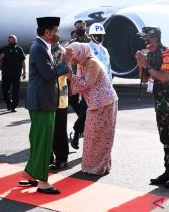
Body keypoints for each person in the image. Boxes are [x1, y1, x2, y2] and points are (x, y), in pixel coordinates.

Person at [22, 17, 72, 195]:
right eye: (56, 31)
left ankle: (30, 173)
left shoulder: (41, 46)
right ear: (47, 32)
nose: (58, 34)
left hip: (42, 101)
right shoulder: (39, 47)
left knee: (38, 139)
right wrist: (65, 63)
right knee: (43, 141)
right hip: (42, 102)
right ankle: (43, 182)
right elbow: (49, 74)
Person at [135, 27, 169, 189]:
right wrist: (140, 64)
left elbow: (164, 78)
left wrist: (147, 65)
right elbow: (145, 80)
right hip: (160, 102)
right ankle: (168, 171)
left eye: (147, 38)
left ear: (155, 38)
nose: (145, 41)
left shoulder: (167, 53)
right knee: (165, 138)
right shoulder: (149, 55)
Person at [67, 42, 118, 175]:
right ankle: (90, 166)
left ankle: (99, 167)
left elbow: (86, 83)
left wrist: (70, 75)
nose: (71, 58)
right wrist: (71, 75)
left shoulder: (93, 63)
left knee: (102, 135)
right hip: (94, 102)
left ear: (80, 52)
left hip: (105, 102)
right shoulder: (81, 64)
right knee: (91, 134)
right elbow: (77, 86)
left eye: (73, 54)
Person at [67, 20, 90, 149]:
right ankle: (84, 124)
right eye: (77, 28)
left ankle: (76, 132)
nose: (79, 29)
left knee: (85, 107)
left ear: (85, 28)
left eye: (81, 27)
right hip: (75, 77)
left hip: (88, 78)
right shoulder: (71, 44)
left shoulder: (91, 42)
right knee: (73, 101)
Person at [49, 42, 70, 169]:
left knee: (59, 129)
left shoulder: (60, 51)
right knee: (51, 128)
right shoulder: (47, 50)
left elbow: (61, 71)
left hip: (60, 95)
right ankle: (50, 156)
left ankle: (62, 158)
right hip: (51, 94)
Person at [0, 35, 26, 112]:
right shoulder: (3, 49)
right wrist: (1, 57)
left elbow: (23, 61)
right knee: (4, 89)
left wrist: (24, 72)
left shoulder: (19, 49)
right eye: (11, 39)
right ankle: (8, 103)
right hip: (6, 73)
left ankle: (13, 106)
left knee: (15, 90)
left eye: (14, 40)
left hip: (16, 74)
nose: (13, 41)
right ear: (8, 41)